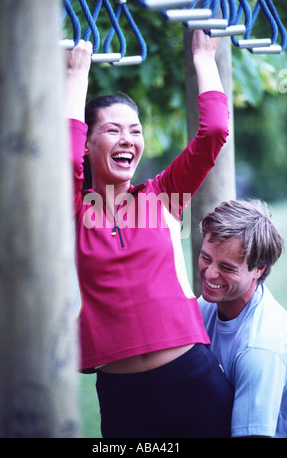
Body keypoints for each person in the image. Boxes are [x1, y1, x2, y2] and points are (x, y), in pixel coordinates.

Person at [66, 30, 234, 438]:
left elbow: (212, 132)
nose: (127, 140)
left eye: (135, 130)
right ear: (88, 145)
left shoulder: (163, 196)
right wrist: (76, 76)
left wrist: (203, 58)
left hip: (192, 379)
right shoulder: (69, 210)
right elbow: (63, 158)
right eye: (112, 130)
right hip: (123, 396)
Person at [198, 199, 287, 438]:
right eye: (206, 258)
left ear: (259, 269)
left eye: (227, 267)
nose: (210, 273)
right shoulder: (209, 302)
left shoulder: (259, 349)